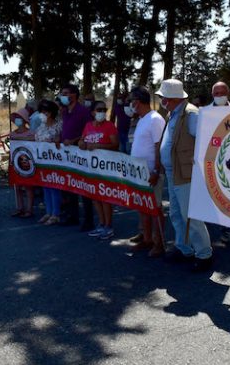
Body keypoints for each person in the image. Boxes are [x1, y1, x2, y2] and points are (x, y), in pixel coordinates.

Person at [155, 79, 214, 272]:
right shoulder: (175, 113)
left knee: (191, 215)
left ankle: (204, 254)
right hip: (175, 172)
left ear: (172, 98)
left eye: (163, 97)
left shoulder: (191, 114)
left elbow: (205, 141)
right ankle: (184, 248)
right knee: (176, 213)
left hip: (186, 173)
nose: (161, 100)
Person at [127, 88, 166, 257]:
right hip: (139, 172)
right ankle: (147, 238)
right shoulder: (142, 119)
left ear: (139, 100)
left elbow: (159, 147)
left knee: (156, 208)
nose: (130, 104)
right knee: (143, 206)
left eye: (132, 100)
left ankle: (160, 243)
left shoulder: (155, 119)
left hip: (151, 171)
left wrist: (157, 170)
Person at [204, 82, 230, 245]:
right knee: (208, 197)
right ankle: (204, 230)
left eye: (222, 93)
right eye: (216, 93)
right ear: (212, 95)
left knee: (229, 197)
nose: (219, 96)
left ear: (229, 93)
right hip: (209, 162)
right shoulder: (204, 113)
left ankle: (228, 231)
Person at [79, 100, 119, 240]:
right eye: (99, 109)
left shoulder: (109, 126)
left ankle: (109, 226)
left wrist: (98, 146)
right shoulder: (88, 125)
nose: (102, 112)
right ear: (93, 112)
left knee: (105, 198)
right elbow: (82, 140)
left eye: (104, 109)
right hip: (91, 168)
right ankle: (101, 224)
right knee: (96, 197)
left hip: (105, 168)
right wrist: (82, 143)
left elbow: (115, 145)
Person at [59, 84, 94, 230]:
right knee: (70, 185)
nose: (63, 95)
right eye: (62, 93)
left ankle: (88, 220)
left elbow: (89, 131)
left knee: (84, 186)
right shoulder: (65, 111)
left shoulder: (83, 111)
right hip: (67, 154)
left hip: (80, 153)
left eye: (66, 93)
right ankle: (72, 216)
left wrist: (73, 140)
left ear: (74, 95)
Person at [35, 101, 63, 225]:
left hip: (55, 161)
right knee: (46, 187)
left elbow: (60, 140)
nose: (43, 114)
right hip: (43, 161)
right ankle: (48, 212)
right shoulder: (41, 126)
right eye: (41, 111)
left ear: (51, 113)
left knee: (54, 187)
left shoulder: (59, 125)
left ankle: (56, 214)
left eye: (45, 111)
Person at [9, 108, 35, 218]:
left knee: (28, 187)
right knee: (17, 186)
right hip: (16, 163)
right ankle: (20, 208)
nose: (16, 120)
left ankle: (29, 209)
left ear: (24, 119)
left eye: (19, 117)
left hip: (28, 164)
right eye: (15, 118)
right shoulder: (12, 133)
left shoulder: (31, 133)